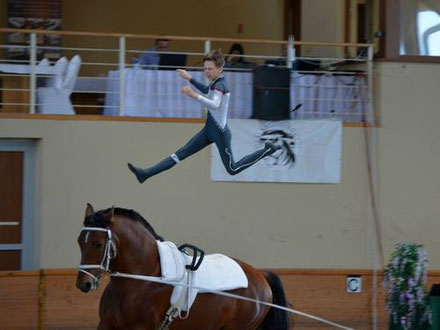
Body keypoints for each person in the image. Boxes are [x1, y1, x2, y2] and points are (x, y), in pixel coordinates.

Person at [127, 49, 281, 184]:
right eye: (205, 69)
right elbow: (206, 89)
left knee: (233, 169)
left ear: (220, 69)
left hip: (220, 133)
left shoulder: (221, 85)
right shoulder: (215, 83)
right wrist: (189, 78)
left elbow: (214, 104)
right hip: (209, 130)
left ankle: (268, 150)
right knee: (179, 154)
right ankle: (145, 174)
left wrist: (194, 95)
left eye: (210, 69)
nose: (207, 72)